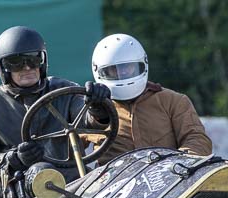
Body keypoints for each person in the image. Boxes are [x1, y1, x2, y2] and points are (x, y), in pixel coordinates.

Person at [0, 26, 111, 185]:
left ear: (43, 62)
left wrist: (98, 108)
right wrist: (12, 159)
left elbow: (87, 120)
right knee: (38, 173)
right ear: (3, 68)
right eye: (16, 63)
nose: (27, 68)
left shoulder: (65, 91)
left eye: (34, 59)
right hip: (21, 197)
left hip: (73, 187)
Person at [87, 33, 212, 165]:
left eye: (128, 68)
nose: (122, 73)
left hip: (167, 180)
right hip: (113, 183)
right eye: (114, 70)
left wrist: (177, 165)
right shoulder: (90, 107)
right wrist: (95, 116)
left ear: (143, 65)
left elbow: (198, 140)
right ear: (100, 72)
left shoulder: (173, 101)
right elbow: (68, 148)